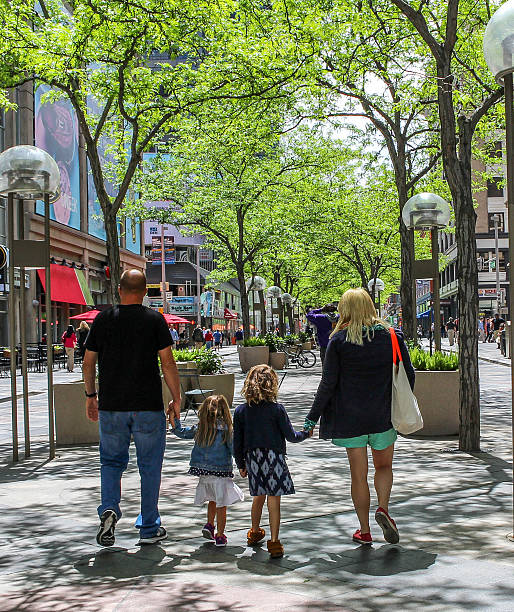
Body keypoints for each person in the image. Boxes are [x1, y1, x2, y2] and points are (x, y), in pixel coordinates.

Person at [304, 288, 415, 546]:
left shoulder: (339, 341)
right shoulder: (391, 336)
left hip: (350, 419)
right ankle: (383, 509)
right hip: (383, 415)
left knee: (358, 476)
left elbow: (328, 383)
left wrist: (312, 419)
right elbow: (408, 374)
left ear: (345, 310)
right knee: (384, 467)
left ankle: (364, 530)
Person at [83, 270, 181, 548]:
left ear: (119, 289)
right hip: (148, 406)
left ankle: (109, 510)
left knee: (111, 463)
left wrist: (91, 395)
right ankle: (149, 526)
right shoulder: (154, 320)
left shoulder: (103, 320)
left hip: (112, 407)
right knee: (150, 467)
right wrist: (177, 397)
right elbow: (168, 363)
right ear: (145, 292)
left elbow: (88, 362)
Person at [233, 365, 312, 559]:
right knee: (274, 499)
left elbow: (237, 441)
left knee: (258, 496)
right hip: (274, 458)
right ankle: (275, 542)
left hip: (253, 459)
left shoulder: (241, 411)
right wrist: (306, 434)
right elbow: (290, 436)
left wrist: (240, 464)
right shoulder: (277, 409)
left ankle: (254, 531)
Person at [170, 395, 244, 547]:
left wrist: (174, 419)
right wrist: (243, 464)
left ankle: (210, 525)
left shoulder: (201, 428)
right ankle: (220, 535)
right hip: (221, 473)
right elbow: (233, 450)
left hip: (204, 473)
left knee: (213, 499)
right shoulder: (227, 430)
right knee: (221, 504)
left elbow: (181, 432)